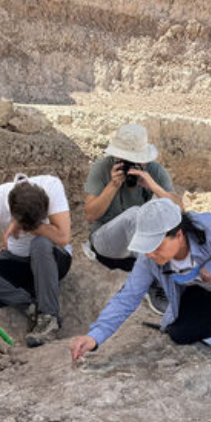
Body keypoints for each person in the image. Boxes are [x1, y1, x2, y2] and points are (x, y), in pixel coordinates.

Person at [70, 198, 211, 369]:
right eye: (146, 246)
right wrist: (94, 337)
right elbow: (128, 296)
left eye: (157, 246)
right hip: (208, 292)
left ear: (178, 234)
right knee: (180, 333)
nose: (150, 253)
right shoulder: (149, 257)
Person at [0, 173, 72, 348]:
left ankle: (49, 317)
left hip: (53, 261)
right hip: (20, 263)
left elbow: (63, 237)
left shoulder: (52, 185)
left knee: (40, 243)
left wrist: (35, 227)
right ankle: (32, 307)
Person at [83, 123, 182, 315]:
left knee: (167, 218)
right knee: (137, 214)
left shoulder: (154, 171)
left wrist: (153, 186)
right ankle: (153, 285)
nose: (130, 166)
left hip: (136, 251)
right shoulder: (102, 168)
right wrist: (112, 185)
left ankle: (165, 276)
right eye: (125, 160)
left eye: (135, 161)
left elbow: (179, 210)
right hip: (106, 244)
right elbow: (90, 215)